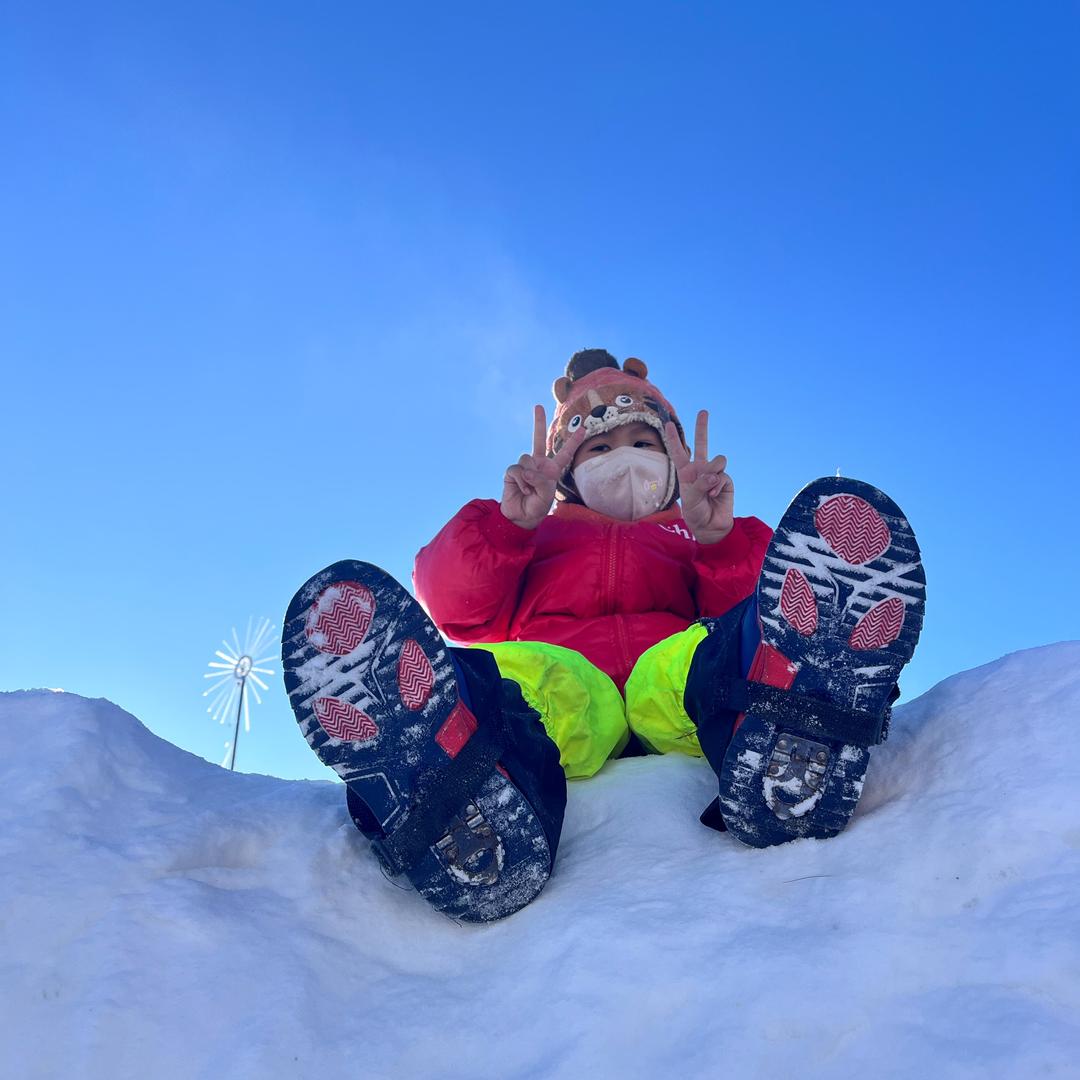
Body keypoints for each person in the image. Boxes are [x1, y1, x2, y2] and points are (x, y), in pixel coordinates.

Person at [281, 349, 925, 922]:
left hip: (669, 700)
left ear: (673, 458)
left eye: (645, 442)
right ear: (566, 469)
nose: (625, 458)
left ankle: (791, 718)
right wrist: (508, 526)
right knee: (520, 672)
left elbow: (761, 610)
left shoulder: (692, 531)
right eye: (598, 448)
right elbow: (453, 604)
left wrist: (719, 542)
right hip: (567, 701)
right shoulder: (537, 532)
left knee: (697, 656)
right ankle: (454, 773)